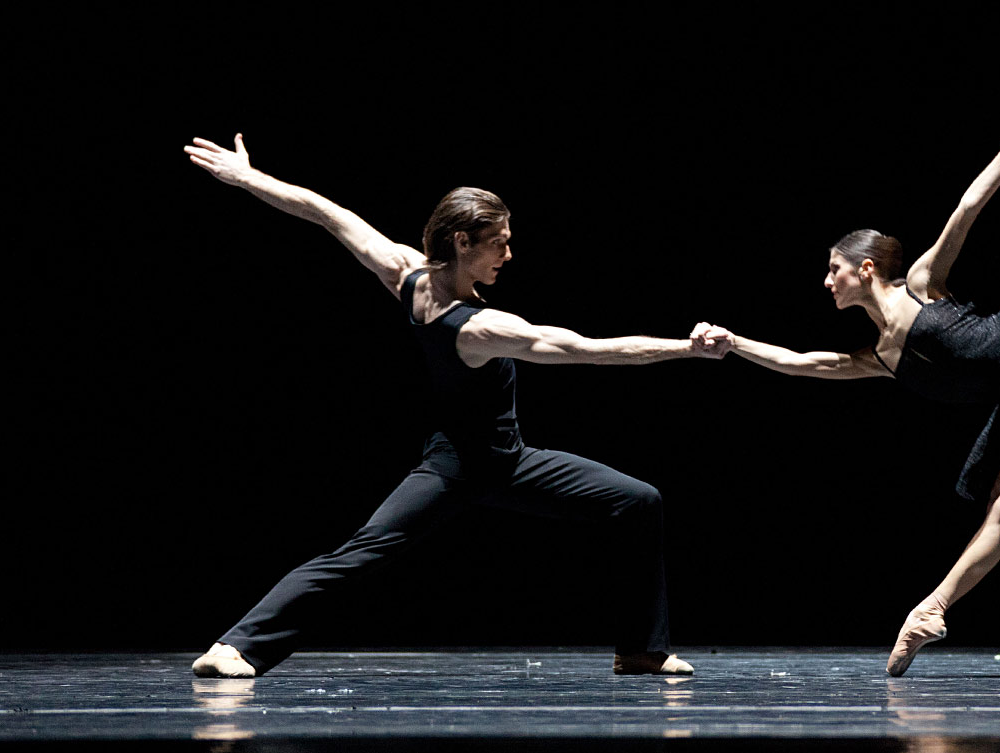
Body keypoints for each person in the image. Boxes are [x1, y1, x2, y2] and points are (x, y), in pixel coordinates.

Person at [694, 23, 1000, 676]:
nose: (826, 281)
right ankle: (929, 608)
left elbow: (967, 208)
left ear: (866, 266)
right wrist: (735, 343)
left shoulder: (922, 282)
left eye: (832, 269)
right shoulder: (876, 357)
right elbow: (799, 363)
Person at [182, 135, 726, 677]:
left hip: (509, 462)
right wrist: (687, 347)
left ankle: (640, 650)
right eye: (500, 243)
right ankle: (235, 648)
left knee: (638, 502)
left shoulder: (405, 274)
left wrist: (248, 178)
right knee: (362, 552)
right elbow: (587, 350)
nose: (509, 255)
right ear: (463, 241)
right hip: (455, 468)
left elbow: (326, 211)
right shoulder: (480, 328)